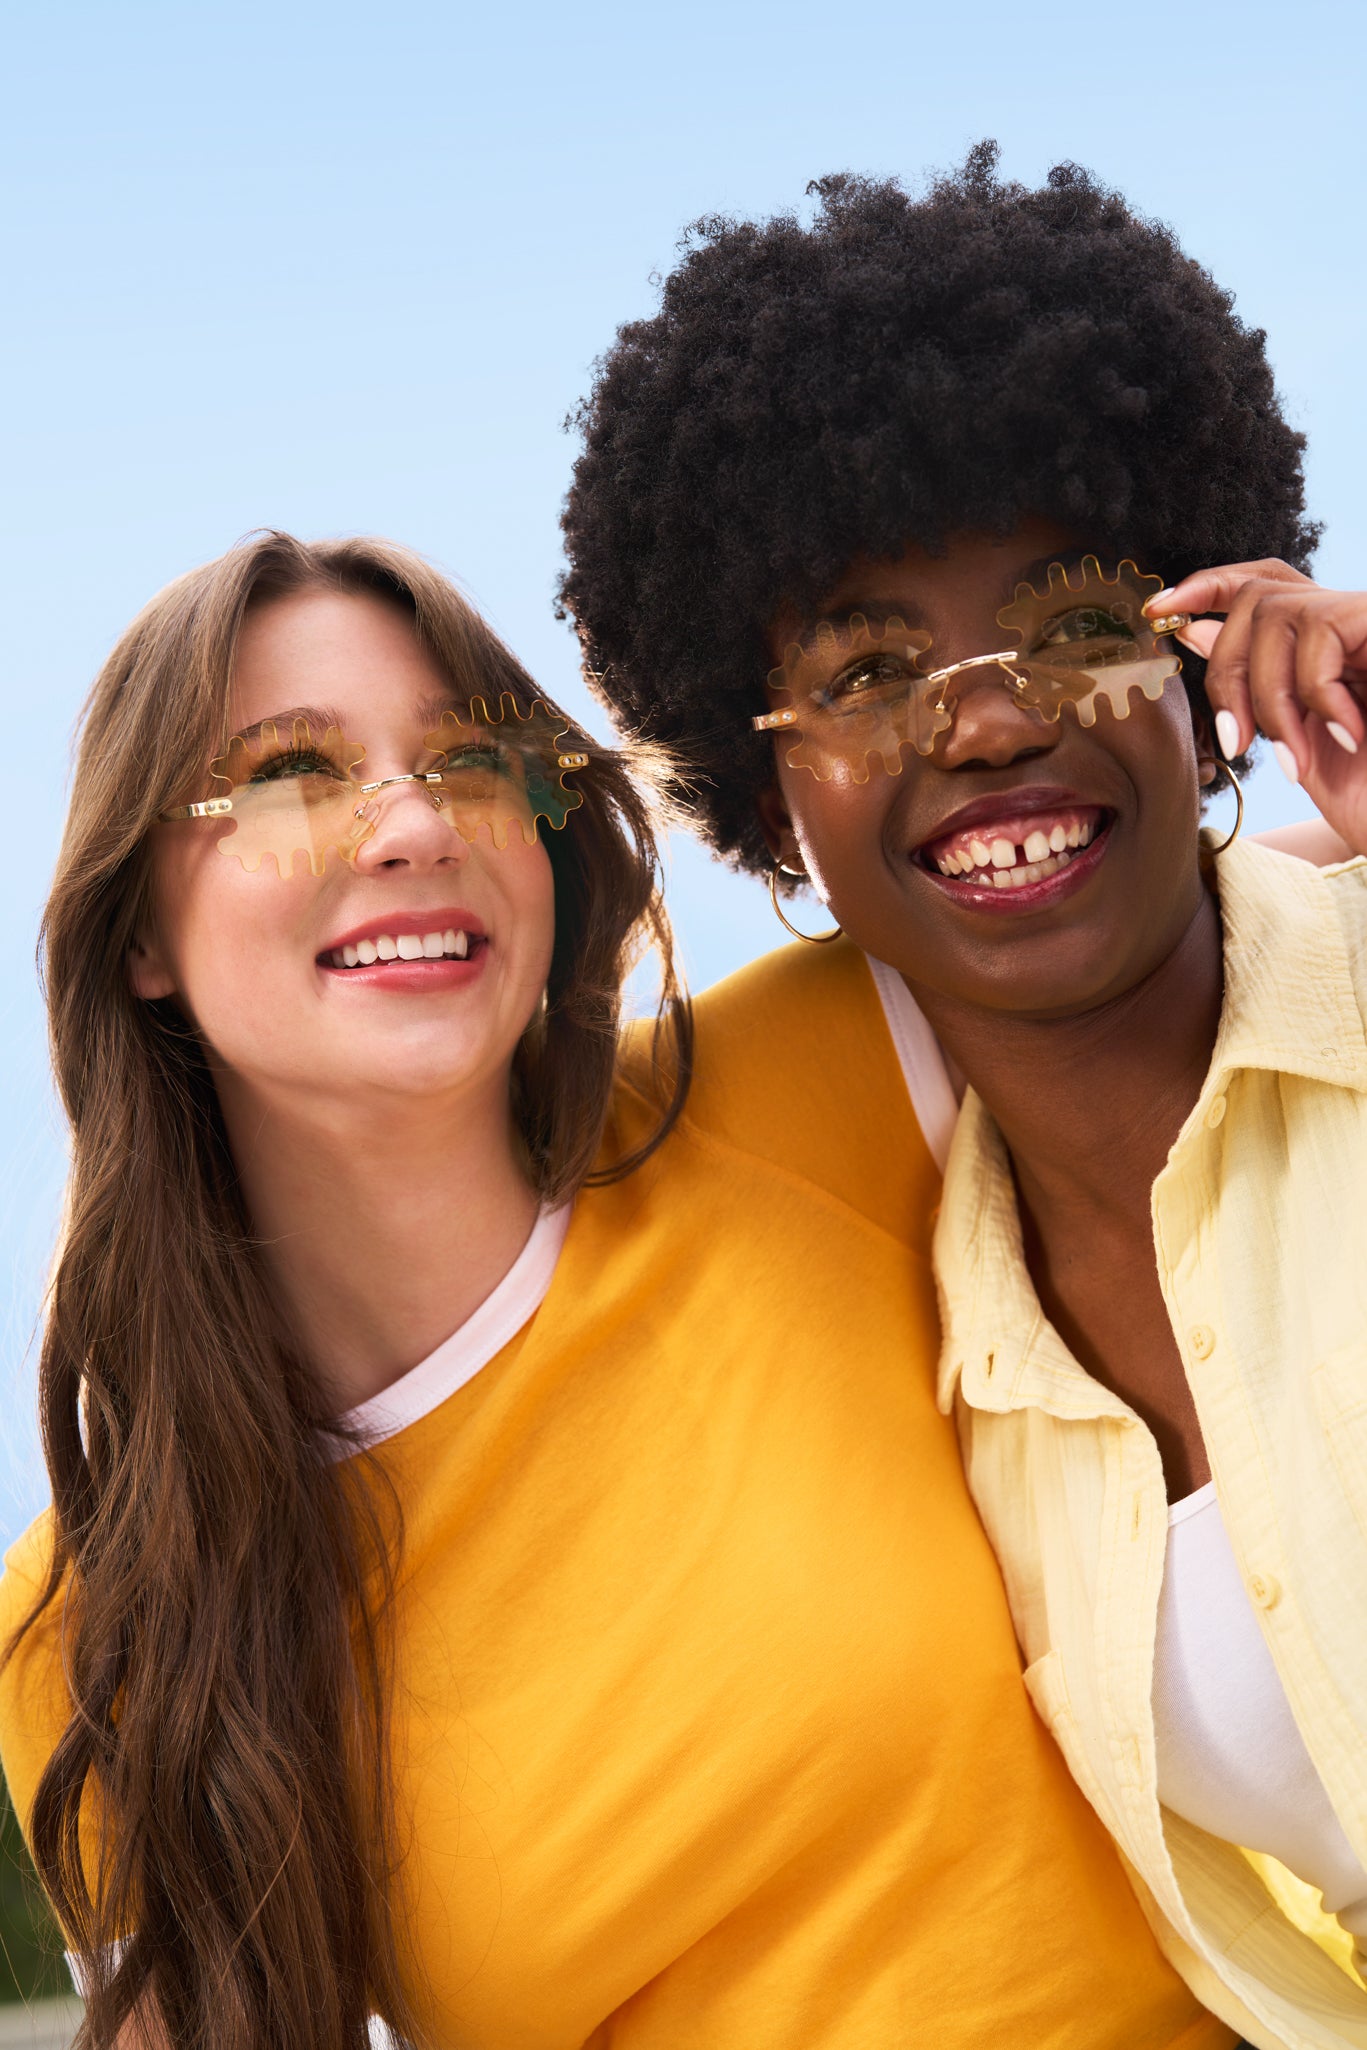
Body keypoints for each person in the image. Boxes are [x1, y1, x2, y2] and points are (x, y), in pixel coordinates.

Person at [0, 530, 1230, 2050]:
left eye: (466, 762)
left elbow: (1265, 929)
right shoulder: (95, 1612)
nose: (409, 828)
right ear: (137, 936)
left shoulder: (807, 1082)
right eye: (287, 774)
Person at [559, 148, 1367, 2049]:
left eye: (1075, 620)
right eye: (866, 666)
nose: (988, 719)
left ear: (1201, 653)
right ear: (772, 802)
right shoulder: (966, 1373)